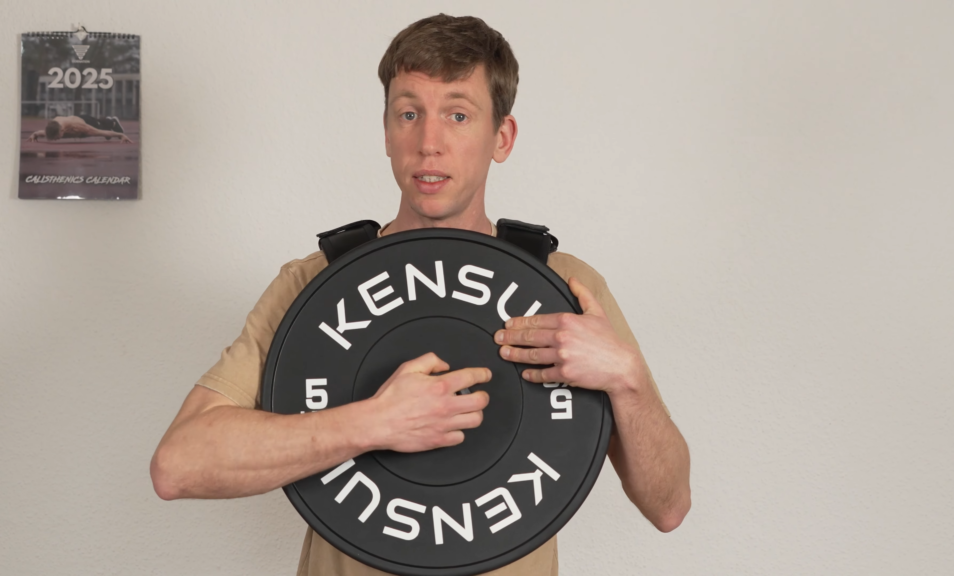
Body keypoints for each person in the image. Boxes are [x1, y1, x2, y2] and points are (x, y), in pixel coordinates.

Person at [150, 13, 691, 576]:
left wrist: (628, 379)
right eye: (409, 113)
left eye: (458, 115)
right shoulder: (313, 285)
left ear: (500, 137)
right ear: (386, 132)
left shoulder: (565, 288)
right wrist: (374, 423)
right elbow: (179, 465)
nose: (429, 143)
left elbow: (669, 505)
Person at [27, 114, 132, 143]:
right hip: (74, 121)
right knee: (106, 135)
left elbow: (99, 132)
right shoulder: (53, 128)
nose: (56, 140)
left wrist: (120, 135)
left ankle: (112, 121)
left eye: (56, 138)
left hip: (86, 121)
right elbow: (42, 132)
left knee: (102, 128)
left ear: (61, 131)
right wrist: (34, 134)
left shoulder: (78, 127)